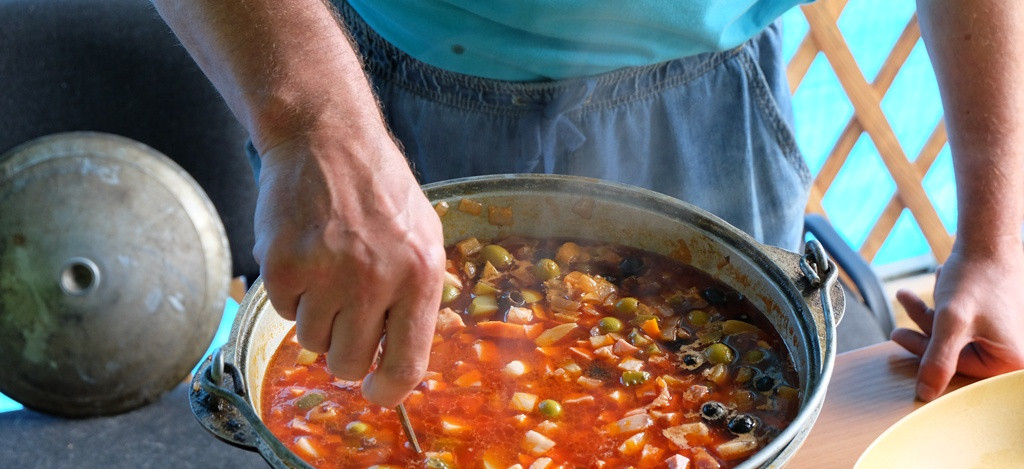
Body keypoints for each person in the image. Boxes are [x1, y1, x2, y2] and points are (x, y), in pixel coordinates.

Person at [151, 0, 1024, 407]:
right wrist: (315, 130)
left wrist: (994, 237)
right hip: (376, 103)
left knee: (741, 422)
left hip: (715, 97)